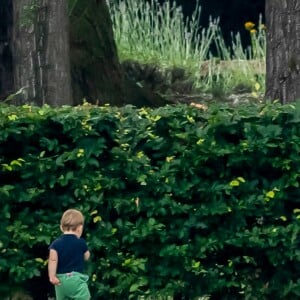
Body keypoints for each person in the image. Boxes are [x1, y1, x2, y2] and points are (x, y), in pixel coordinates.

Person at [48, 209, 91, 300]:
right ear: (79, 228)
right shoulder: (81, 243)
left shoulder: (55, 244)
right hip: (75, 279)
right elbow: (87, 256)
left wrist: (52, 276)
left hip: (60, 281)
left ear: (61, 227)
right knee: (84, 297)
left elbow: (52, 260)